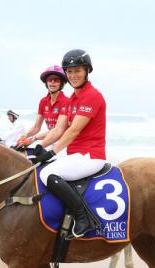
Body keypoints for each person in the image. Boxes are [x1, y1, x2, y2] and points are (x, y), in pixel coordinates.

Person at [32, 49, 107, 237]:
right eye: (70, 71)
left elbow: (74, 131)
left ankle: (83, 218)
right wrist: (41, 147)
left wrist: (52, 152)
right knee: (41, 169)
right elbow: (58, 129)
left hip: (90, 156)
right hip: (75, 155)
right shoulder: (72, 99)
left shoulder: (92, 96)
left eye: (77, 71)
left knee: (48, 173)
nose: (73, 75)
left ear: (87, 71)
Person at [16, 65, 70, 148]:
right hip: (50, 139)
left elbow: (58, 130)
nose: (52, 82)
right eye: (49, 80)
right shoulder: (43, 101)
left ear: (61, 83)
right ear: (46, 82)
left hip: (65, 143)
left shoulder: (67, 102)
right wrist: (24, 136)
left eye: (56, 80)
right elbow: (36, 127)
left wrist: (34, 138)